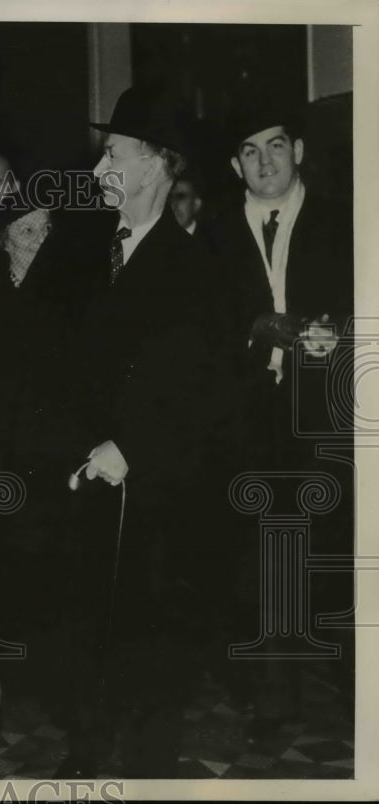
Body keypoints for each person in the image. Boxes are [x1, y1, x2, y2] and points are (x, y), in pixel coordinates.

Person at [44, 86, 234, 778]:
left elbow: (207, 391)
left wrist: (133, 449)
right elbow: (40, 351)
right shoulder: (75, 248)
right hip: (78, 479)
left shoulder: (199, 272)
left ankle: (152, 769)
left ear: (157, 164)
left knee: (152, 639)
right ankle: (87, 753)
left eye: (115, 156)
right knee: (81, 623)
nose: (98, 172)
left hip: (156, 496)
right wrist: (69, 447)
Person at [213, 100, 354, 737]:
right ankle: (273, 696)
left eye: (275, 146)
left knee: (336, 550)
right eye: (249, 150)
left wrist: (340, 335)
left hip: (328, 413)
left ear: (298, 151)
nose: (264, 161)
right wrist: (258, 330)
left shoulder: (344, 220)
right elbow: (204, 326)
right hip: (247, 413)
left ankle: (358, 690)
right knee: (257, 553)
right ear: (234, 164)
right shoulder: (213, 234)